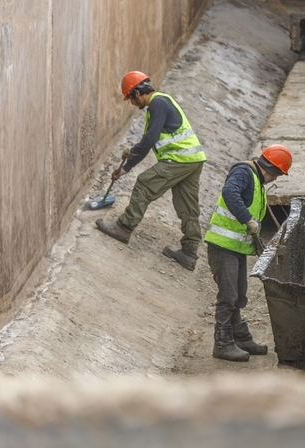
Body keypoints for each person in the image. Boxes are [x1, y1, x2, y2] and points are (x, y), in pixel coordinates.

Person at [96, 71, 207, 271]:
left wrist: (132, 150)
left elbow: (149, 139)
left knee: (145, 184)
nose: (131, 103)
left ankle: (124, 227)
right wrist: (125, 169)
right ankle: (190, 252)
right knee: (187, 204)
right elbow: (148, 144)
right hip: (194, 160)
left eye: (130, 98)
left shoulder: (157, 104)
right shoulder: (160, 104)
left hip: (179, 159)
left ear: (137, 92)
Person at [205, 144, 292, 361]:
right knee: (228, 295)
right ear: (272, 169)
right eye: (279, 174)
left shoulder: (257, 182)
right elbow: (229, 192)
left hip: (236, 248)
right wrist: (247, 220)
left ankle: (240, 337)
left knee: (239, 294)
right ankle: (222, 344)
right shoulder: (244, 172)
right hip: (223, 246)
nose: (277, 179)